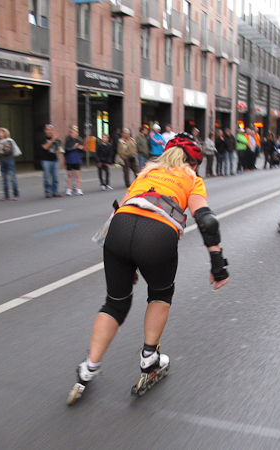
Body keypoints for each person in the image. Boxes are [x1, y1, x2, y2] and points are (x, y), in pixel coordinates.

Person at [68, 132, 229, 403]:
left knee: (115, 303)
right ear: (193, 162)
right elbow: (207, 220)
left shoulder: (147, 171)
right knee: (160, 294)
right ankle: (149, 358)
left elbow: (123, 207)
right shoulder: (191, 177)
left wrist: (128, 260)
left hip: (119, 229)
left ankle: (88, 368)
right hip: (157, 233)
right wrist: (218, 264)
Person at [0, 127, 20, 200]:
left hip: (9, 161)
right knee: (4, 180)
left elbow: (8, 152)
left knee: (12, 179)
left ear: (4, 133)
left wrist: (1, 152)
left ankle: (16, 195)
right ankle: (6, 195)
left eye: (0, 132)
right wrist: (2, 152)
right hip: (2, 161)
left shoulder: (8, 141)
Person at [41, 124, 62, 198]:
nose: (49, 131)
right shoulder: (42, 138)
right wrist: (52, 139)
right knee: (46, 178)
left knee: (55, 177)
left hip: (54, 160)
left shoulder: (55, 139)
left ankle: (55, 191)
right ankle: (47, 192)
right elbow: (45, 147)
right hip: (46, 160)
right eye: (47, 129)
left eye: (50, 130)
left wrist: (59, 150)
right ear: (45, 131)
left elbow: (58, 149)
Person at [64, 125, 85, 195]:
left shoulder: (80, 140)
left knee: (77, 175)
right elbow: (66, 150)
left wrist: (80, 148)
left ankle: (78, 189)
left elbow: (82, 150)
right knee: (69, 175)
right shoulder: (68, 140)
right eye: (72, 133)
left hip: (77, 159)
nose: (74, 134)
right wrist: (73, 148)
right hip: (69, 160)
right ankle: (69, 189)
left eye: (75, 133)